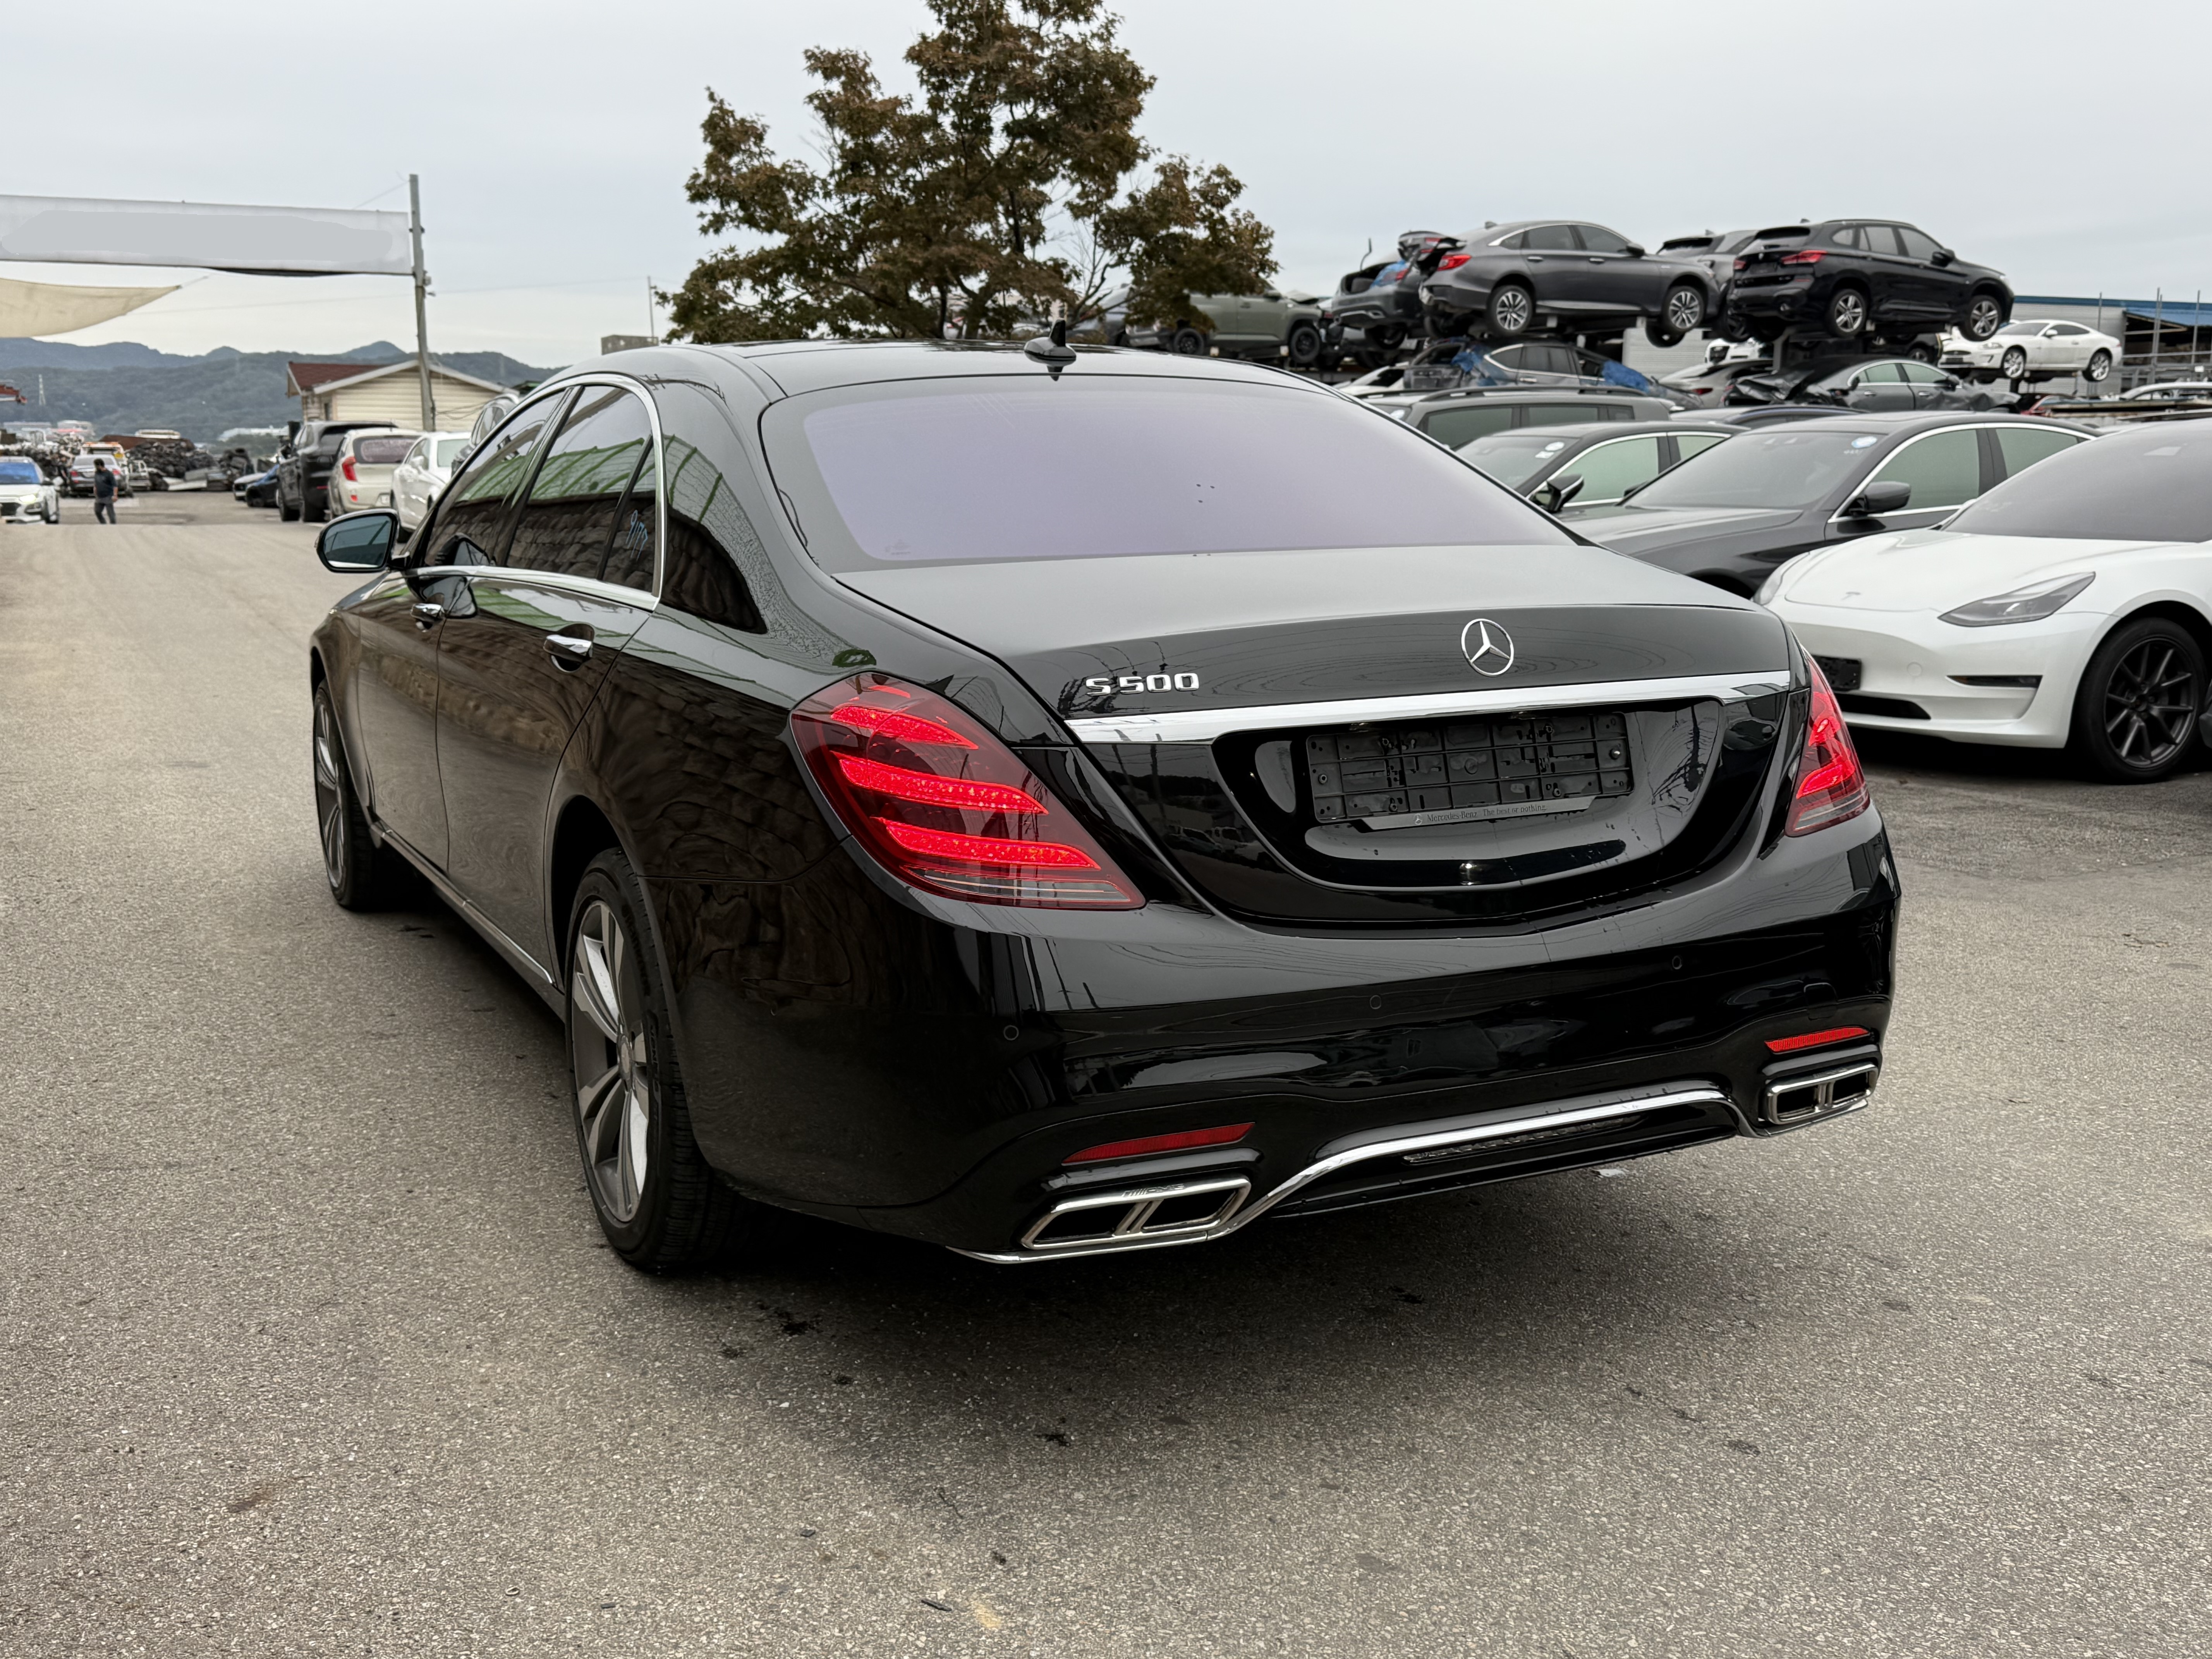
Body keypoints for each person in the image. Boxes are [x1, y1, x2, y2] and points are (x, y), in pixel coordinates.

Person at [91, 459, 117, 525]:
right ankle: (103, 524)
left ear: (100, 465)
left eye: (96, 466)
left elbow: (115, 485)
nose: (96, 468)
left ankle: (113, 525)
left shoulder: (109, 474)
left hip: (108, 496)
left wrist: (115, 495)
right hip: (99, 496)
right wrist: (95, 490)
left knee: (110, 514)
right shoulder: (97, 473)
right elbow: (96, 483)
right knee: (97, 511)